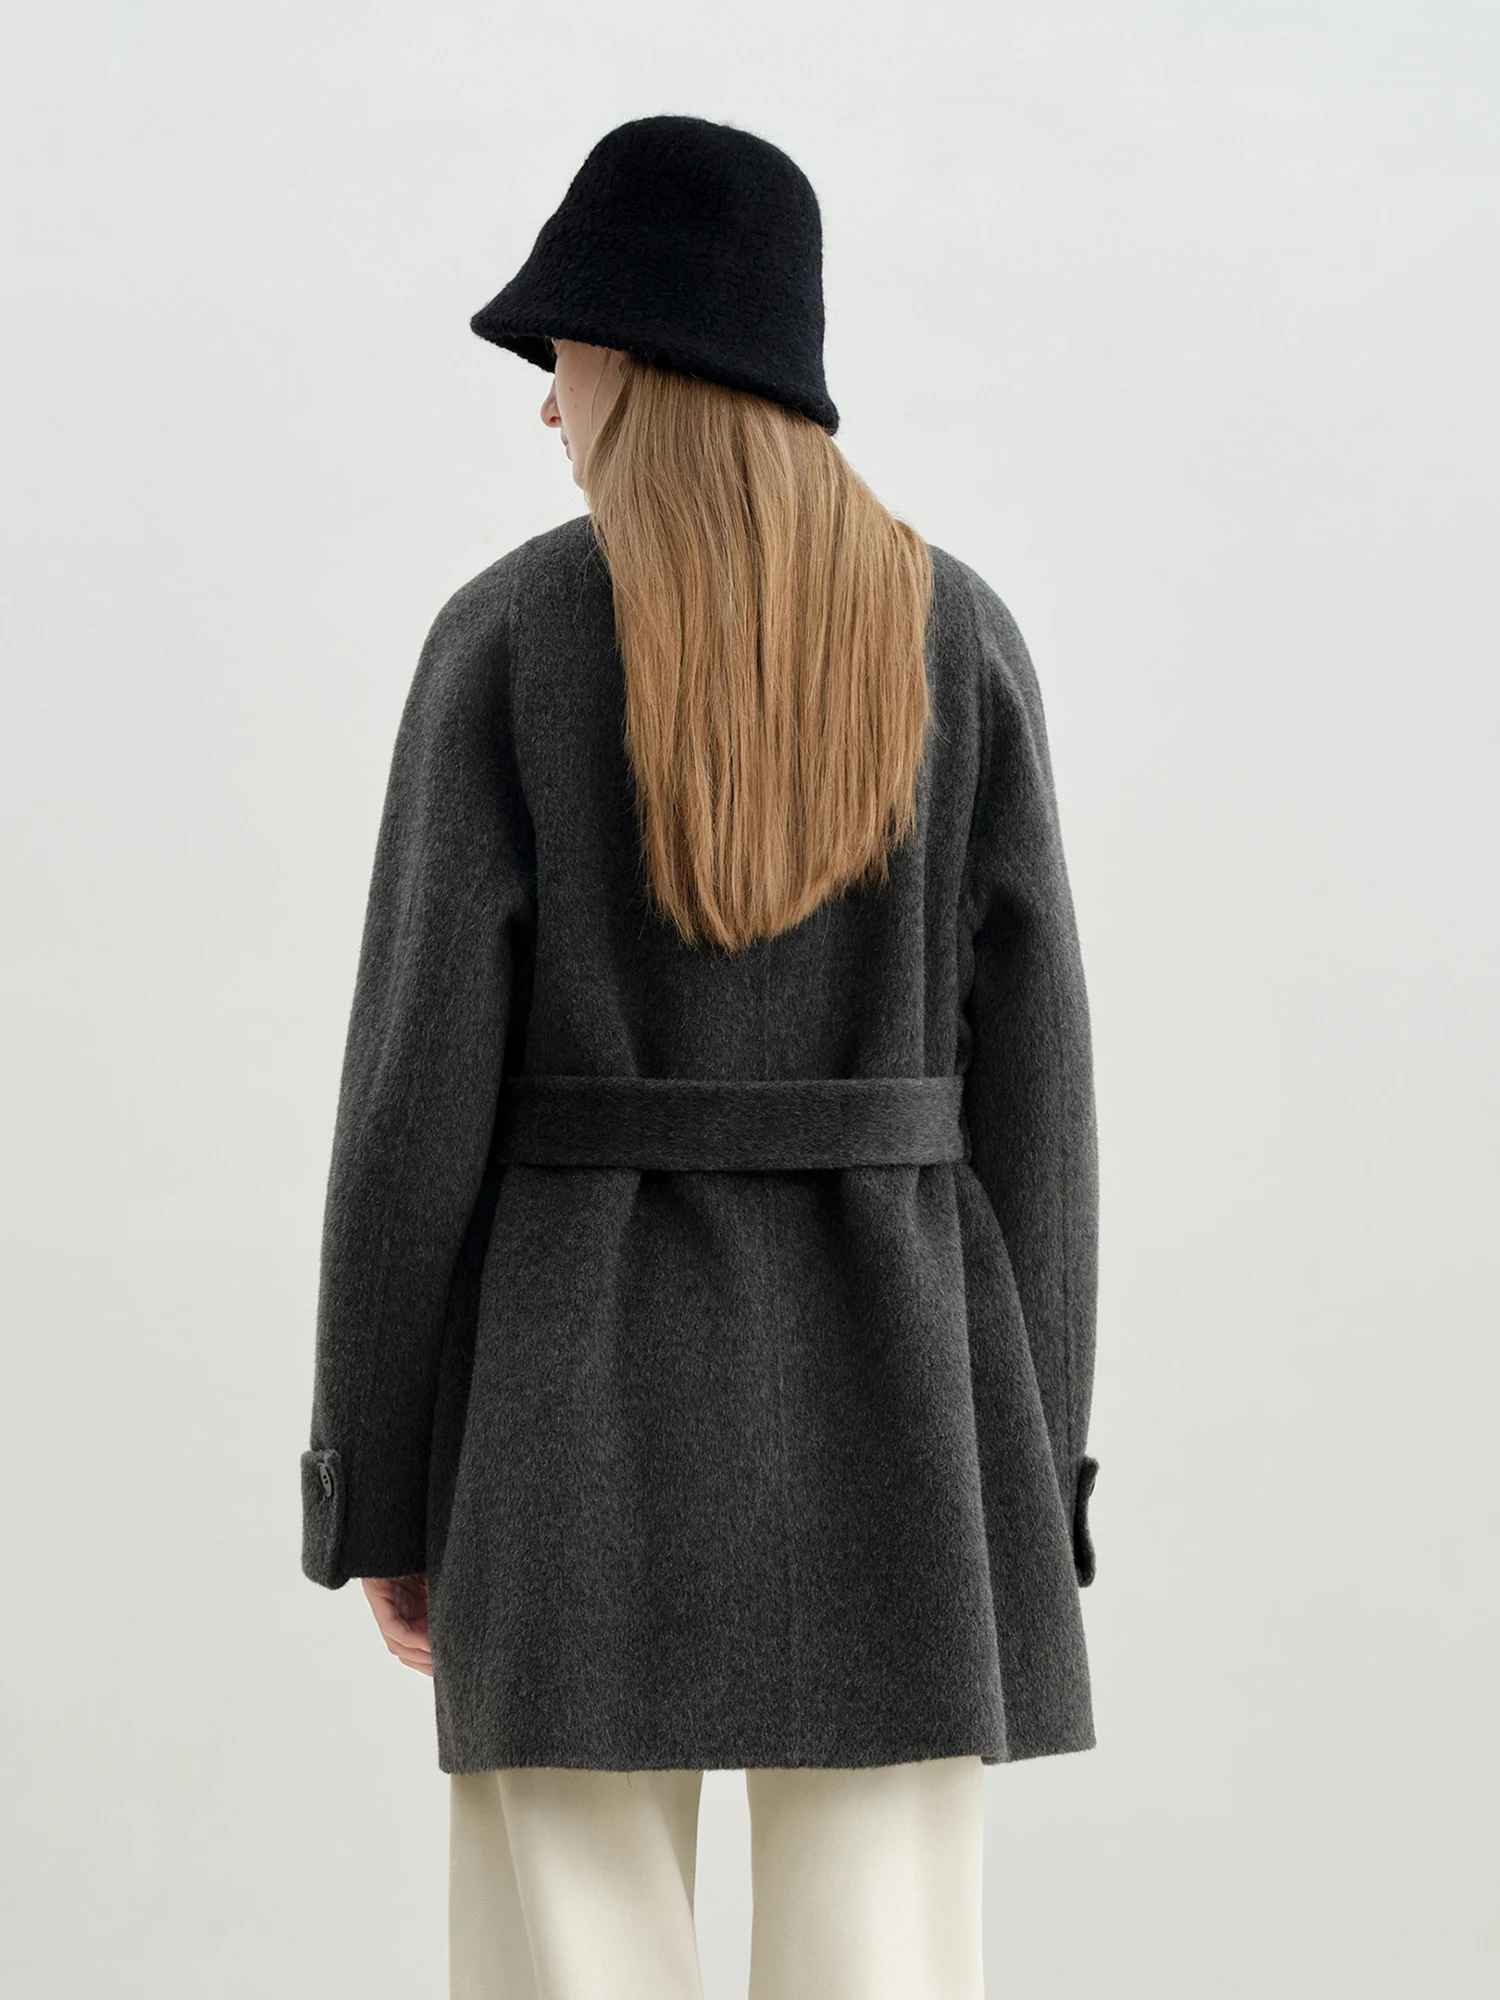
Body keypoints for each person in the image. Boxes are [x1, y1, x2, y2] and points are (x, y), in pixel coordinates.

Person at [299, 113, 1102, 2000]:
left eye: (563, 355)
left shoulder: (507, 642)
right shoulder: (960, 638)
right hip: (903, 1385)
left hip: (565, 1392)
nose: (545, 403)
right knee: (886, 1962)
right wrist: (1033, 1459)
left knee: (568, 1960)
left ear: (638, 361)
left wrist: (381, 1485)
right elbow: (1044, 1105)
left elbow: (410, 1104)